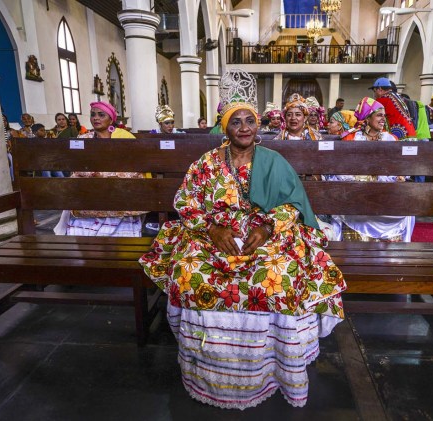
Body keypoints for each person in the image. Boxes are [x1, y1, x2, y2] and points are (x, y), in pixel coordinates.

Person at [139, 69, 347, 410]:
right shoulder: (206, 164)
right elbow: (185, 202)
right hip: (213, 234)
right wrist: (212, 229)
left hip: (265, 233)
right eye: (237, 122)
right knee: (191, 275)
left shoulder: (274, 161)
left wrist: (266, 229)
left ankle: (270, 369)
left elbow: (294, 205)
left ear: (259, 124)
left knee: (278, 279)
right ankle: (210, 371)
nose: (245, 127)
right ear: (226, 127)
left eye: (250, 120)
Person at [54, 101, 147, 237]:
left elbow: (133, 168)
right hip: (90, 192)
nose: (96, 118)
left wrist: (103, 176)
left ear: (111, 119)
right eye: (93, 115)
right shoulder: (83, 139)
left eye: (101, 115)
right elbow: (77, 166)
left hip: (118, 191)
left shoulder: (124, 137)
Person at [331, 97, 415, 242]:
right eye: (379, 115)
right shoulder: (351, 138)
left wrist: (395, 177)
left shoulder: (390, 139)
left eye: (384, 116)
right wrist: (360, 181)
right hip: (356, 192)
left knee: (407, 210)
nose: (383, 119)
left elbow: (400, 168)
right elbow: (340, 168)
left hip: (384, 193)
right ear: (367, 118)